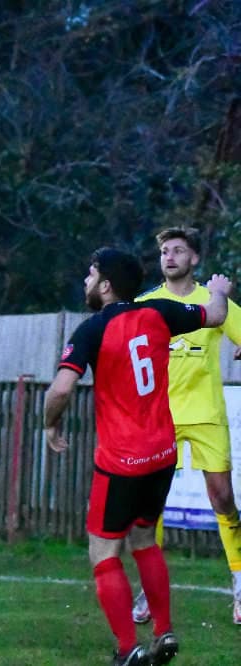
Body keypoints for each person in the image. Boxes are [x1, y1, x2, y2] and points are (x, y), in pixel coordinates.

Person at [44, 248, 230, 666]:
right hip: (162, 454)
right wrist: (219, 290)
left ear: (107, 285)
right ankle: (164, 631)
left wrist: (50, 424)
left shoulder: (92, 329)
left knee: (104, 553)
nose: (87, 281)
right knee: (144, 539)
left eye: (91, 275)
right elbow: (216, 314)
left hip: (121, 461)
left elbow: (61, 389)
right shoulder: (161, 312)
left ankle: (128, 649)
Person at [132, 226, 241, 625]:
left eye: (178, 250)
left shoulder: (214, 299)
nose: (170, 256)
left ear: (194, 258)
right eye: (165, 251)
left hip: (206, 413)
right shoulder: (146, 303)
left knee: (222, 498)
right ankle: (149, 587)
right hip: (160, 417)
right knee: (151, 503)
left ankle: (240, 579)